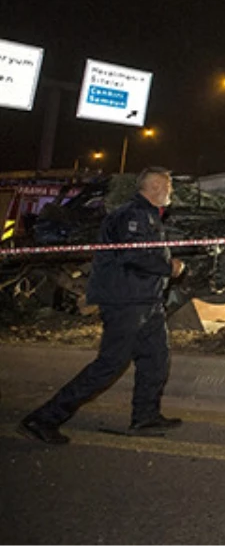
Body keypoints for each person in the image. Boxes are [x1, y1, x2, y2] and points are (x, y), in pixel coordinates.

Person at [18, 167, 185, 444]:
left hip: (146, 301)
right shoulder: (130, 215)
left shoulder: (147, 215)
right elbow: (135, 255)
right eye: (169, 187)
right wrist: (170, 266)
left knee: (156, 359)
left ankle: (145, 417)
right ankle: (43, 419)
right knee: (109, 364)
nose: (171, 193)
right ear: (156, 187)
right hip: (125, 301)